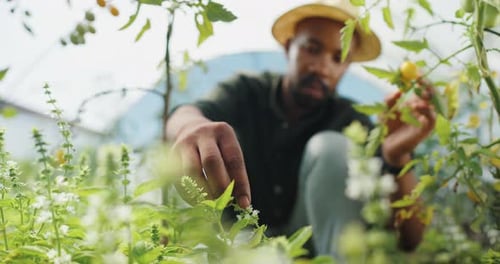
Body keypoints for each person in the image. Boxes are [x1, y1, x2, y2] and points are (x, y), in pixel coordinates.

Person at [165, 0, 436, 258]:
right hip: (236, 246)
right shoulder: (247, 92)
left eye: (338, 58)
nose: (322, 67)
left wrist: (397, 158)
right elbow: (186, 115)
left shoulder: (354, 123)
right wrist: (193, 126)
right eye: (312, 48)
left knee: (333, 146)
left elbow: (410, 239)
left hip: (317, 252)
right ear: (288, 47)